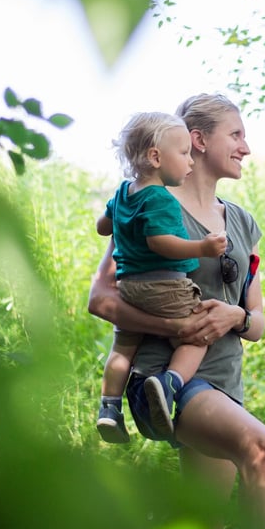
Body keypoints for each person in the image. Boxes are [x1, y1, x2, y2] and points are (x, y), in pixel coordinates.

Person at [88, 93, 265, 529]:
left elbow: (258, 321)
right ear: (198, 141)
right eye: (236, 135)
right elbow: (101, 299)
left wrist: (235, 315)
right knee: (261, 448)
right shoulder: (151, 206)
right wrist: (176, 328)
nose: (247, 146)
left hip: (224, 384)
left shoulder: (241, 223)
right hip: (168, 382)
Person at [96, 111, 228, 444]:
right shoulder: (160, 198)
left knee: (123, 349)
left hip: (129, 288)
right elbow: (160, 243)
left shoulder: (124, 192)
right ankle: (170, 384)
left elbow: (102, 226)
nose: (191, 162)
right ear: (155, 157)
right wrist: (202, 246)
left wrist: (121, 222)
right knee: (198, 336)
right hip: (166, 286)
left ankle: (109, 409)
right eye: (184, 154)